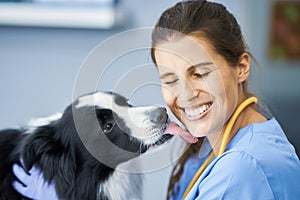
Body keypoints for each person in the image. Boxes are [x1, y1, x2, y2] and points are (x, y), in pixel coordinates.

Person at [12, 0, 300, 199]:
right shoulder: (216, 143)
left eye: (199, 73)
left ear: (241, 67)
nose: (185, 95)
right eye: (170, 80)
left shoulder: (244, 170)